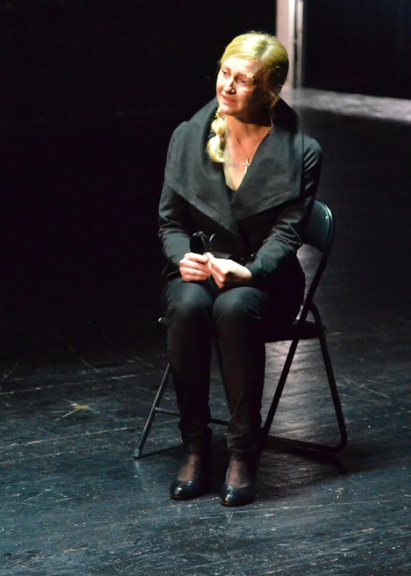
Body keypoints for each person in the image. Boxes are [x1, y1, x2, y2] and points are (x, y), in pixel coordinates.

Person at [157, 32, 322, 507]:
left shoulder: (302, 151)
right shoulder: (188, 136)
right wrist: (181, 257)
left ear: (270, 92)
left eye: (244, 80)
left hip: (265, 282)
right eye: (224, 73)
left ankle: (243, 451)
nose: (227, 86)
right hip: (201, 270)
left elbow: (287, 235)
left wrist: (249, 272)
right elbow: (170, 223)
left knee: (234, 308)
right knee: (188, 306)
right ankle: (194, 445)